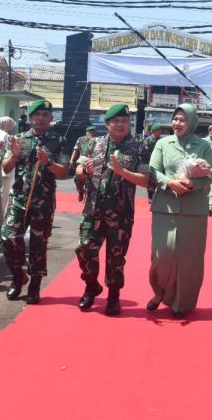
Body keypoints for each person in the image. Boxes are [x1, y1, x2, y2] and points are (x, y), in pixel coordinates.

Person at [74, 103, 147, 316]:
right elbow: (78, 168)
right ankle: (91, 287)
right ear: (107, 123)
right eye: (116, 121)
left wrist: (123, 171)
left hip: (121, 214)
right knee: (84, 250)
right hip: (92, 211)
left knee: (116, 259)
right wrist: (83, 172)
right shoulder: (92, 144)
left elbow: (146, 180)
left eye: (125, 121)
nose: (121, 124)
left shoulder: (137, 147)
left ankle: (113, 296)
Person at [147, 103, 212, 318]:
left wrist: (192, 183)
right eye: (175, 119)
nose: (177, 123)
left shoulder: (203, 145)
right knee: (162, 255)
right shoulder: (163, 143)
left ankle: (181, 303)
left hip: (194, 210)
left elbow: (210, 174)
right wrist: (170, 183)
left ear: (192, 121)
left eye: (182, 119)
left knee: (190, 259)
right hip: (165, 207)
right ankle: (159, 292)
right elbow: (153, 171)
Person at [1, 100, 68, 304]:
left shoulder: (58, 140)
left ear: (50, 118)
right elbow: (5, 167)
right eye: (37, 115)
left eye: (45, 115)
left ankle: (35, 285)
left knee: (39, 244)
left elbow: (64, 171)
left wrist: (47, 163)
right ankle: (18, 276)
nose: (40, 118)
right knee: (9, 238)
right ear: (30, 118)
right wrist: (13, 154)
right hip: (19, 198)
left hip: (43, 200)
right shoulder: (18, 139)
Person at [70, 126, 97, 202]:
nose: (91, 133)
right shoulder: (80, 139)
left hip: (92, 162)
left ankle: (87, 198)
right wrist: (71, 160)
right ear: (86, 132)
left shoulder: (97, 140)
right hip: (82, 161)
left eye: (93, 132)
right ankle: (80, 191)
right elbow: (75, 150)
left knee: (90, 181)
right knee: (77, 179)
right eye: (89, 132)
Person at [0, 116, 16, 209]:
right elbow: (10, 152)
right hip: (5, 168)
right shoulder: (6, 136)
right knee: (3, 195)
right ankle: (0, 218)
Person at [139, 123, 164, 200]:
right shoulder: (148, 140)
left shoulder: (161, 140)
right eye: (158, 130)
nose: (160, 132)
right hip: (150, 163)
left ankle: (156, 196)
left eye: (160, 130)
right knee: (150, 182)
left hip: (160, 164)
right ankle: (151, 197)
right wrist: (147, 164)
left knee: (158, 180)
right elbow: (142, 153)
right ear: (154, 131)